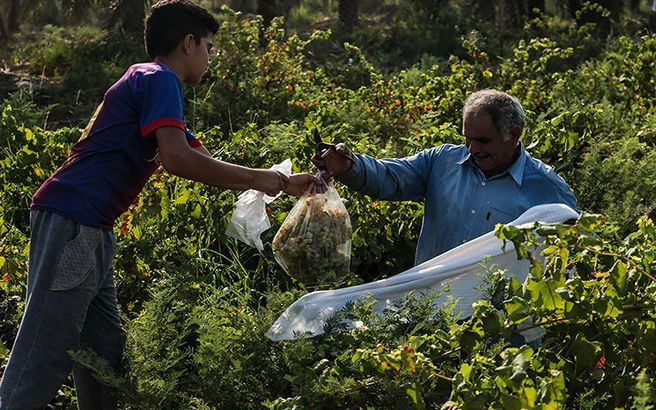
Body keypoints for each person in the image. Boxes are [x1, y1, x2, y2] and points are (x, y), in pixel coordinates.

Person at [0, 1, 323, 408]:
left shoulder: (151, 83)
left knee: (103, 351)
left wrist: (283, 183)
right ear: (188, 43)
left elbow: (200, 160)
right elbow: (179, 161)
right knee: (45, 349)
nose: (210, 58)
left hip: (91, 225)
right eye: (208, 46)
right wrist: (265, 180)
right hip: (73, 220)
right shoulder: (159, 78)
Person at [313, 89, 578, 266]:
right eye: (467, 138)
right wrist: (350, 165)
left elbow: (570, 256)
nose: (472, 148)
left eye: (483, 140)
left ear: (515, 134)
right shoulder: (442, 162)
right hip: (430, 305)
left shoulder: (546, 189)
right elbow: (390, 177)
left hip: (500, 329)